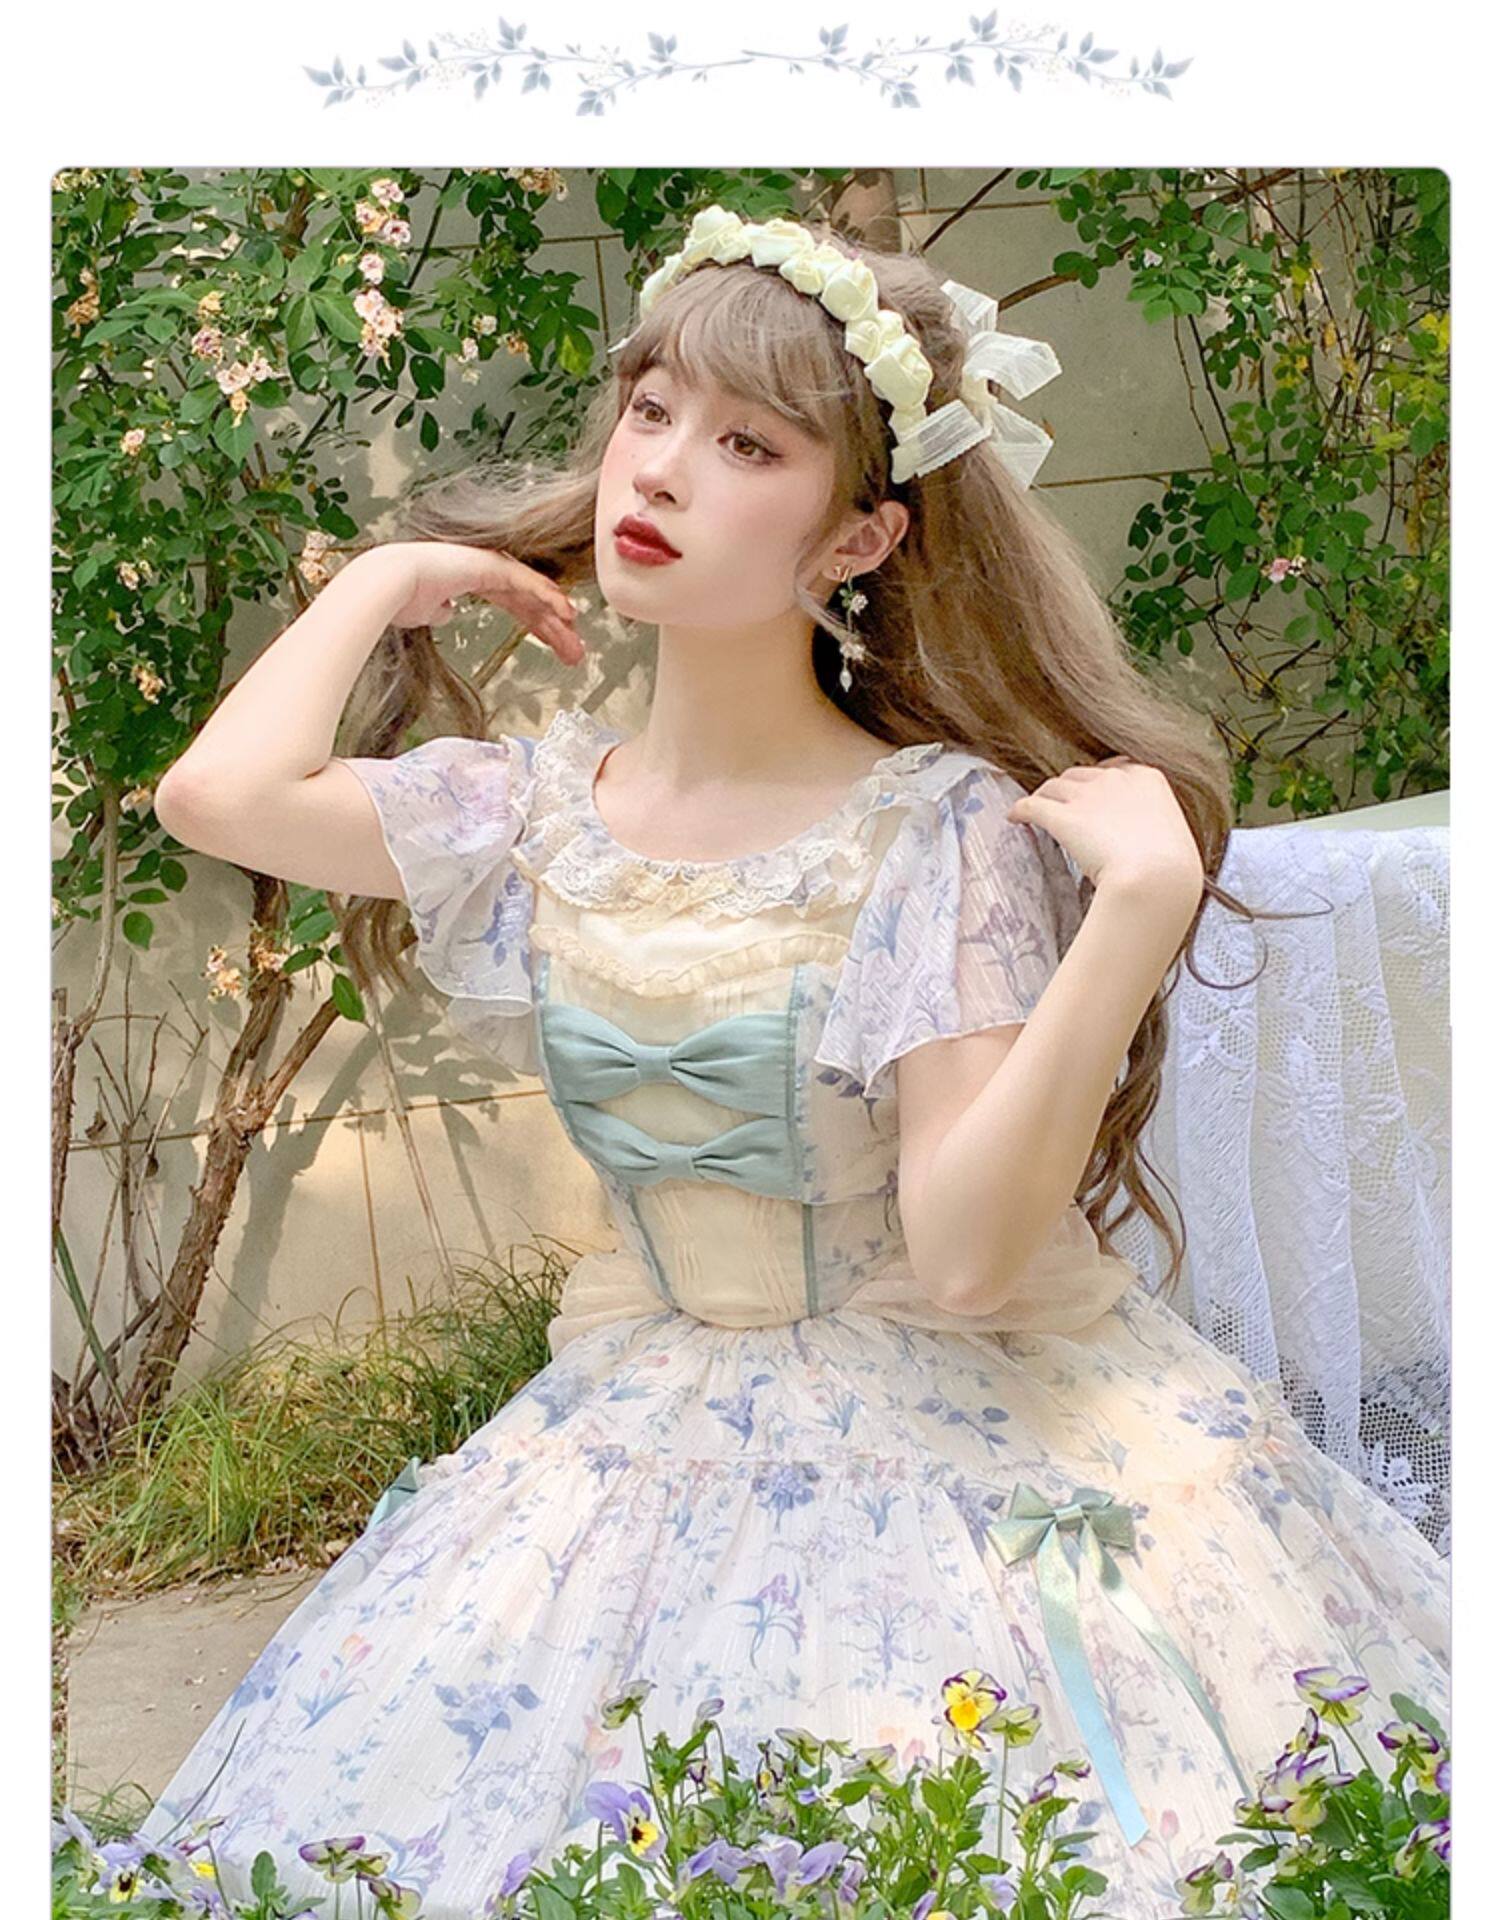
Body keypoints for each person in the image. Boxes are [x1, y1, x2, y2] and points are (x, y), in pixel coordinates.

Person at [134, 207, 1450, 1918]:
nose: (661, 469)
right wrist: (391, 579)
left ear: (859, 536)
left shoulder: (936, 830)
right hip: (637, 1418)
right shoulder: (537, 812)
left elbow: (969, 1263)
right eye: (651, 410)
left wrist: (1138, 910)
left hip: (957, 1433)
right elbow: (216, 798)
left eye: (748, 444)